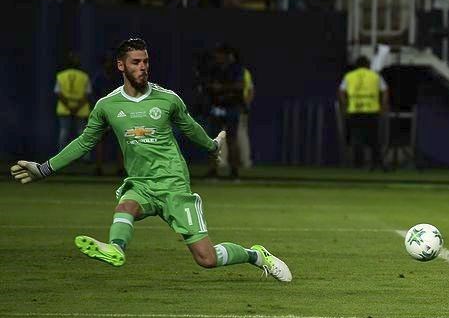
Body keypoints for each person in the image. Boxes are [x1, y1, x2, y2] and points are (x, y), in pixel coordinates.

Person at [10, 38, 291, 282]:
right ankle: (116, 248)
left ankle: (256, 255)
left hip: (173, 185)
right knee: (126, 204)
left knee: (207, 259)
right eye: (136, 62)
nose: (143, 67)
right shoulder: (107, 106)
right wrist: (44, 169)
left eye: (145, 61)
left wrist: (212, 145)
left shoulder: (168, 99)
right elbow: (84, 142)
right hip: (141, 183)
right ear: (121, 66)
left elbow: (191, 128)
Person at [203, 45, 248, 178]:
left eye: (220, 55)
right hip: (217, 106)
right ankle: (213, 170)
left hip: (231, 107)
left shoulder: (237, 69)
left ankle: (234, 171)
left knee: (232, 139)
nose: (218, 57)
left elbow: (240, 86)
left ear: (227, 55)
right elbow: (207, 85)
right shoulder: (214, 69)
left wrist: (222, 88)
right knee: (213, 141)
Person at [338, 56, 389, 170]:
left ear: (356, 65)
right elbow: (385, 90)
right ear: (368, 65)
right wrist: (383, 106)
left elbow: (341, 91)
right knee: (374, 139)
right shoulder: (375, 75)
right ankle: (376, 163)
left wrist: (345, 105)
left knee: (357, 137)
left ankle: (358, 164)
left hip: (355, 110)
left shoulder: (349, 76)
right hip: (371, 110)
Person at [55, 51, 92, 152]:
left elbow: (58, 93)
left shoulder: (61, 76)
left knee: (64, 133)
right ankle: (84, 156)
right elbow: (87, 94)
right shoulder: (84, 76)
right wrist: (77, 107)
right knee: (82, 133)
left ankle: (61, 156)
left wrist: (69, 107)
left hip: (65, 109)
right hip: (80, 109)